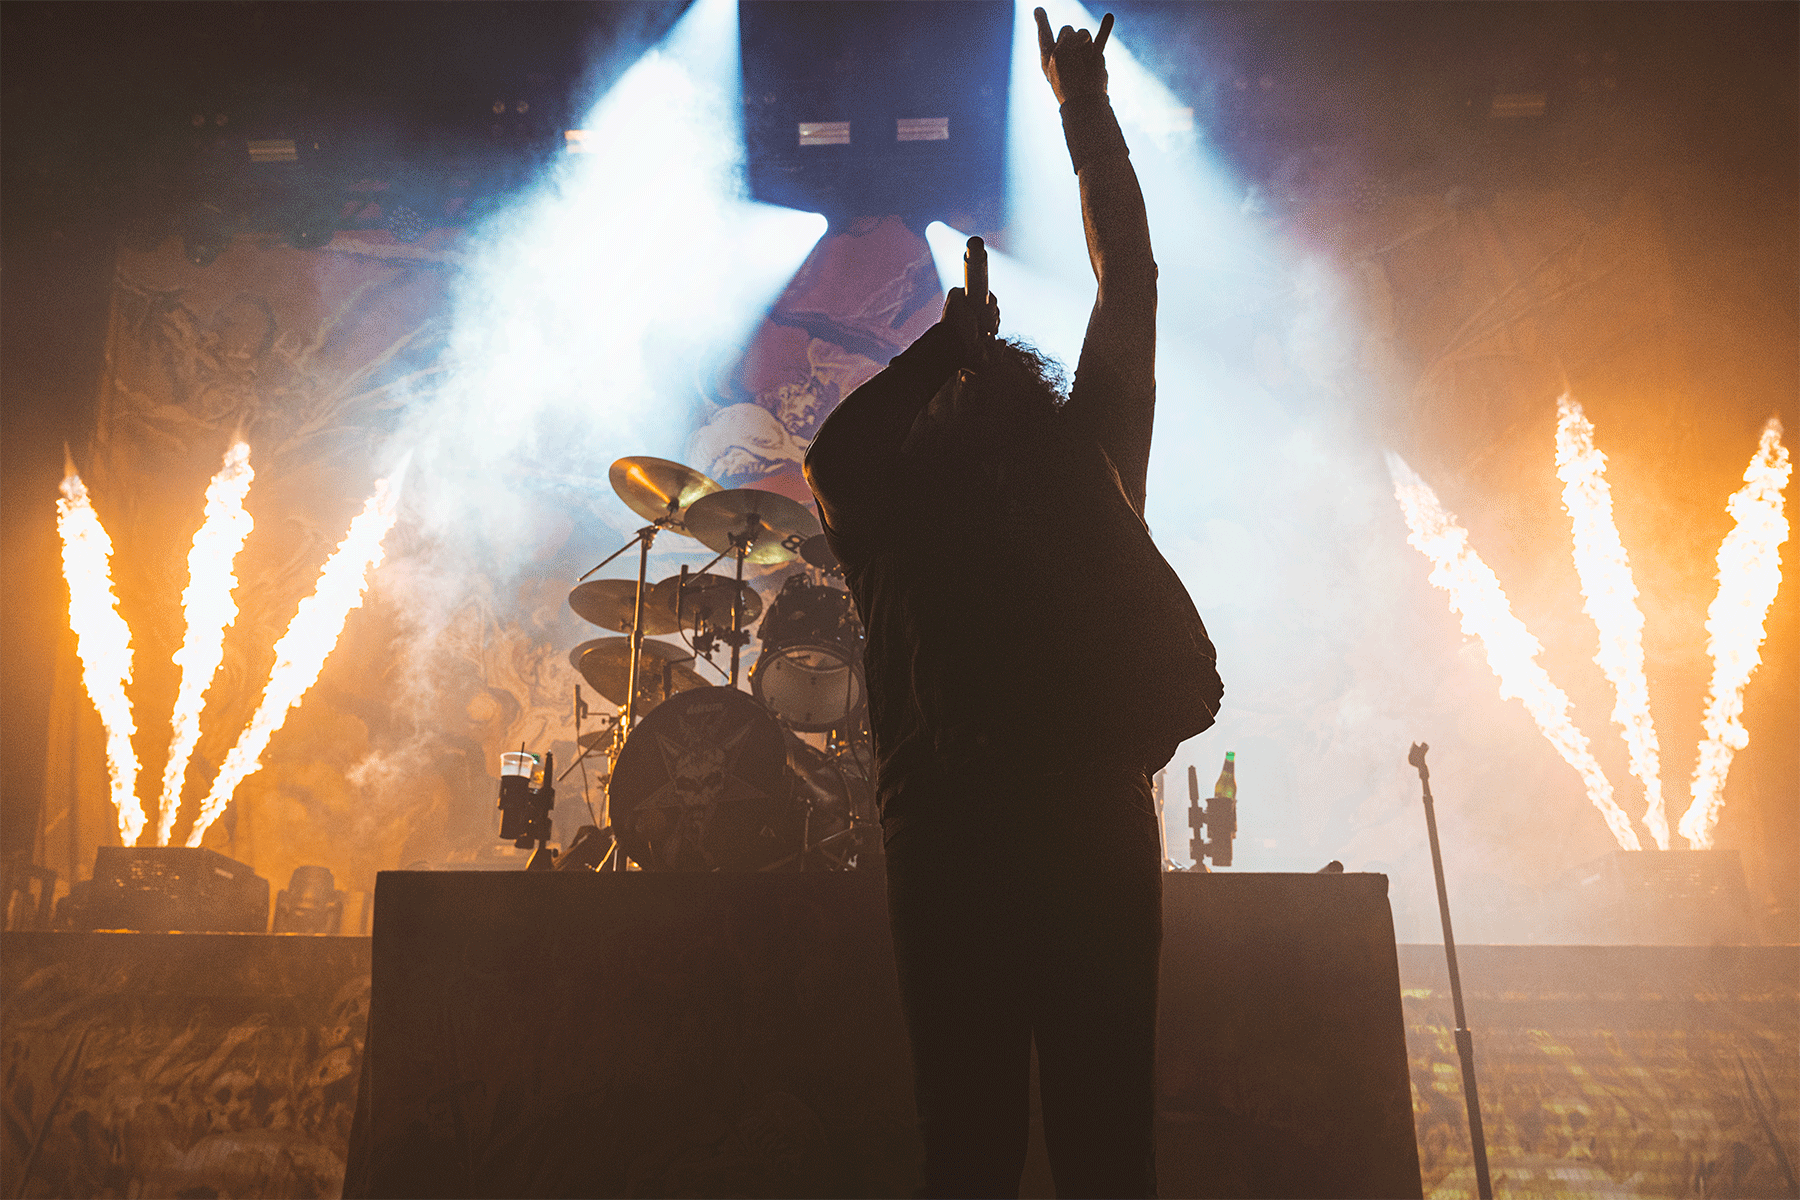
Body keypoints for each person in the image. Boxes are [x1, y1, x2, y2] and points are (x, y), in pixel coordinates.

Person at [803, 10, 1222, 1198]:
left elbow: (838, 454)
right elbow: (1130, 281)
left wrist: (945, 349)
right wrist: (1083, 112)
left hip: (963, 840)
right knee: (1091, 1142)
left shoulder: (915, 516)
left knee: (975, 1142)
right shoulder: (1078, 466)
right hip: (1074, 826)